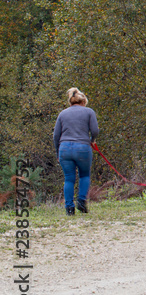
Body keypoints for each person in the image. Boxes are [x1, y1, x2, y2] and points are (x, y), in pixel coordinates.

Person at [53, 87, 99, 216]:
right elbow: (95, 130)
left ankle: (69, 208)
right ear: (83, 101)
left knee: (69, 179)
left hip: (65, 149)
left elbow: (56, 136)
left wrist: (58, 153)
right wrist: (92, 140)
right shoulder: (89, 112)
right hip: (83, 148)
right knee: (84, 175)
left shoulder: (62, 114)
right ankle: (81, 201)